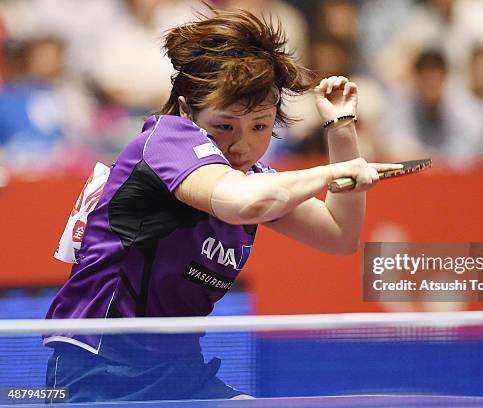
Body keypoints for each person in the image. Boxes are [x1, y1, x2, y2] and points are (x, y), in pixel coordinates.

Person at [43, 7, 400, 403]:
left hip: (180, 370)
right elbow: (241, 203)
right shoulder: (166, 141)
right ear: (185, 111)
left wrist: (341, 129)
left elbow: (339, 235)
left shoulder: (255, 180)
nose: (241, 145)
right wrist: (328, 175)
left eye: (260, 127)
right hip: (101, 368)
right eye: (224, 126)